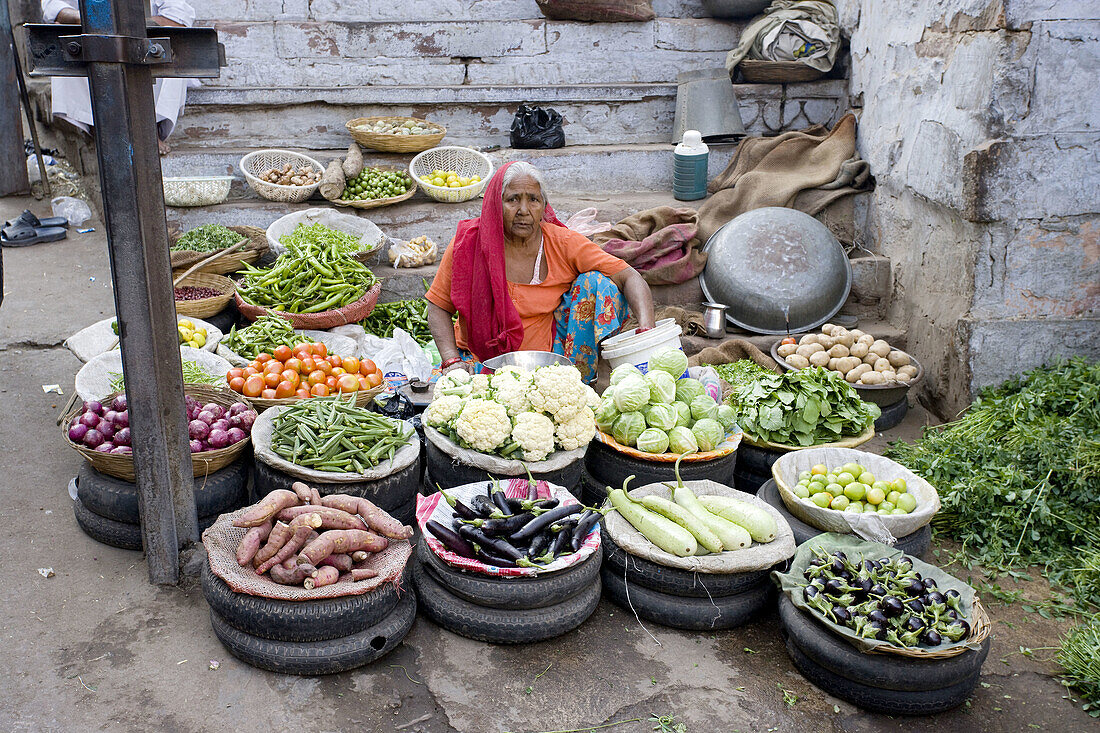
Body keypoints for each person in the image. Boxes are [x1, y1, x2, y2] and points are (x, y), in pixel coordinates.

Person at [426, 161, 656, 382]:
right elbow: (438, 304)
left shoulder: (561, 242)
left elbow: (629, 276)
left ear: (544, 206)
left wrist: (647, 334)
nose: (523, 210)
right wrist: (451, 362)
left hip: (550, 361)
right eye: (512, 199)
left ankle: (583, 379)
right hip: (481, 361)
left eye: (533, 200)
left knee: (598, 283)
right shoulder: (469, 243)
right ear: (495, 204)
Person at [40, 0, 200, 154]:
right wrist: (81, 18)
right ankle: (104, 129)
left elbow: (179, 16)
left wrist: (126, 27)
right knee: (65, 38)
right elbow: (53, 7)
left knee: (172, 42)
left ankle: (148, 130)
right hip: (94, 43)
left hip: (146, 46)